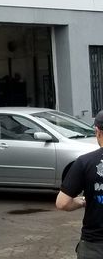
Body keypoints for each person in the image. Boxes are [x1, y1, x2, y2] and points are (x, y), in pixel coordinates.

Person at [55, 110, 103, 259]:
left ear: (97, 131)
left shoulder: (85, 162)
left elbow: (62, 203)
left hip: (94, 245)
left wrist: (82, 202)